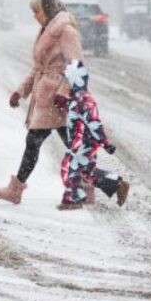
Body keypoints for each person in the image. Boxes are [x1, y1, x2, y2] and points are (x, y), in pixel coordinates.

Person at [0, 0, 83, 205]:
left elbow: (77, 66)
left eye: (37, 11)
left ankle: (15, 190)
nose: (34, 16)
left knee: (35, 142)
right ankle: (108, 183)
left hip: (56, 99)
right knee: (65, 145)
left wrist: (64, 93)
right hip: (47, 97)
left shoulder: (65, 31)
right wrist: (21, 91)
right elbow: (39, 69)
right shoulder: (47, 30)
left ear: (47, 9)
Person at [56, 59, 129, 210]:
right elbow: (77, 116)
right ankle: (116, 184)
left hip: (84, 142)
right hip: (82, 141)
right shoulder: (77, 98)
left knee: (69, 166)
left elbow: (94, 123)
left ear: (75, 80)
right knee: (86, 171)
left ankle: (73, 199)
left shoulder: (83, 100)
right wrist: (66, 104)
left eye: (67, 80)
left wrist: (106, 143)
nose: (65, 83)